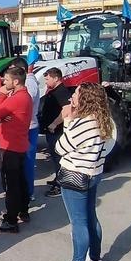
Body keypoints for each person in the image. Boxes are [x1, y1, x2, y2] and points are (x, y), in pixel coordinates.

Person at [52, 83, 112, 261]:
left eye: (76, 93)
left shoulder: (84, 123)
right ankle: (95, 259)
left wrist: (68, 120)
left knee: (78, 223)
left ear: (85, 99)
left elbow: (61, 147)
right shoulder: (104, 120)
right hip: (93, 173)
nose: (72, 97)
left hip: (76, 175)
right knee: (91, 217)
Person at [0, 67, 33, 233]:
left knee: (11, 184)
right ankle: (22, 210)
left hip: (11, 146)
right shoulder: (21, 96)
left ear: (15, 81)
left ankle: (11, 220)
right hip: (17, 144)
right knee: (19, 180)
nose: (3, 83)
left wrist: (1, 95)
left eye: (6, 80)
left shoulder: (17, 97)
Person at [8, 58, 41, 202]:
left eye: (12, 69)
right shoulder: (23, 85)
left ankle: (28, 193)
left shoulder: (29, 85)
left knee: (27, 163)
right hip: (21, 128)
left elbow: (22, 106)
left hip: (28, 128)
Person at [39, 68, 72, 197]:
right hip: (51, 131)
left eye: (47, 79)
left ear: (56, 78)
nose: (46, 82)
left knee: (59, 159)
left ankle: (60, 186)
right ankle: (58, 179)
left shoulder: (62, 92)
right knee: (55, 157)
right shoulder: (55, 91)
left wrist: (54, 124)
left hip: (57, 131)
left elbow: (66, 109)